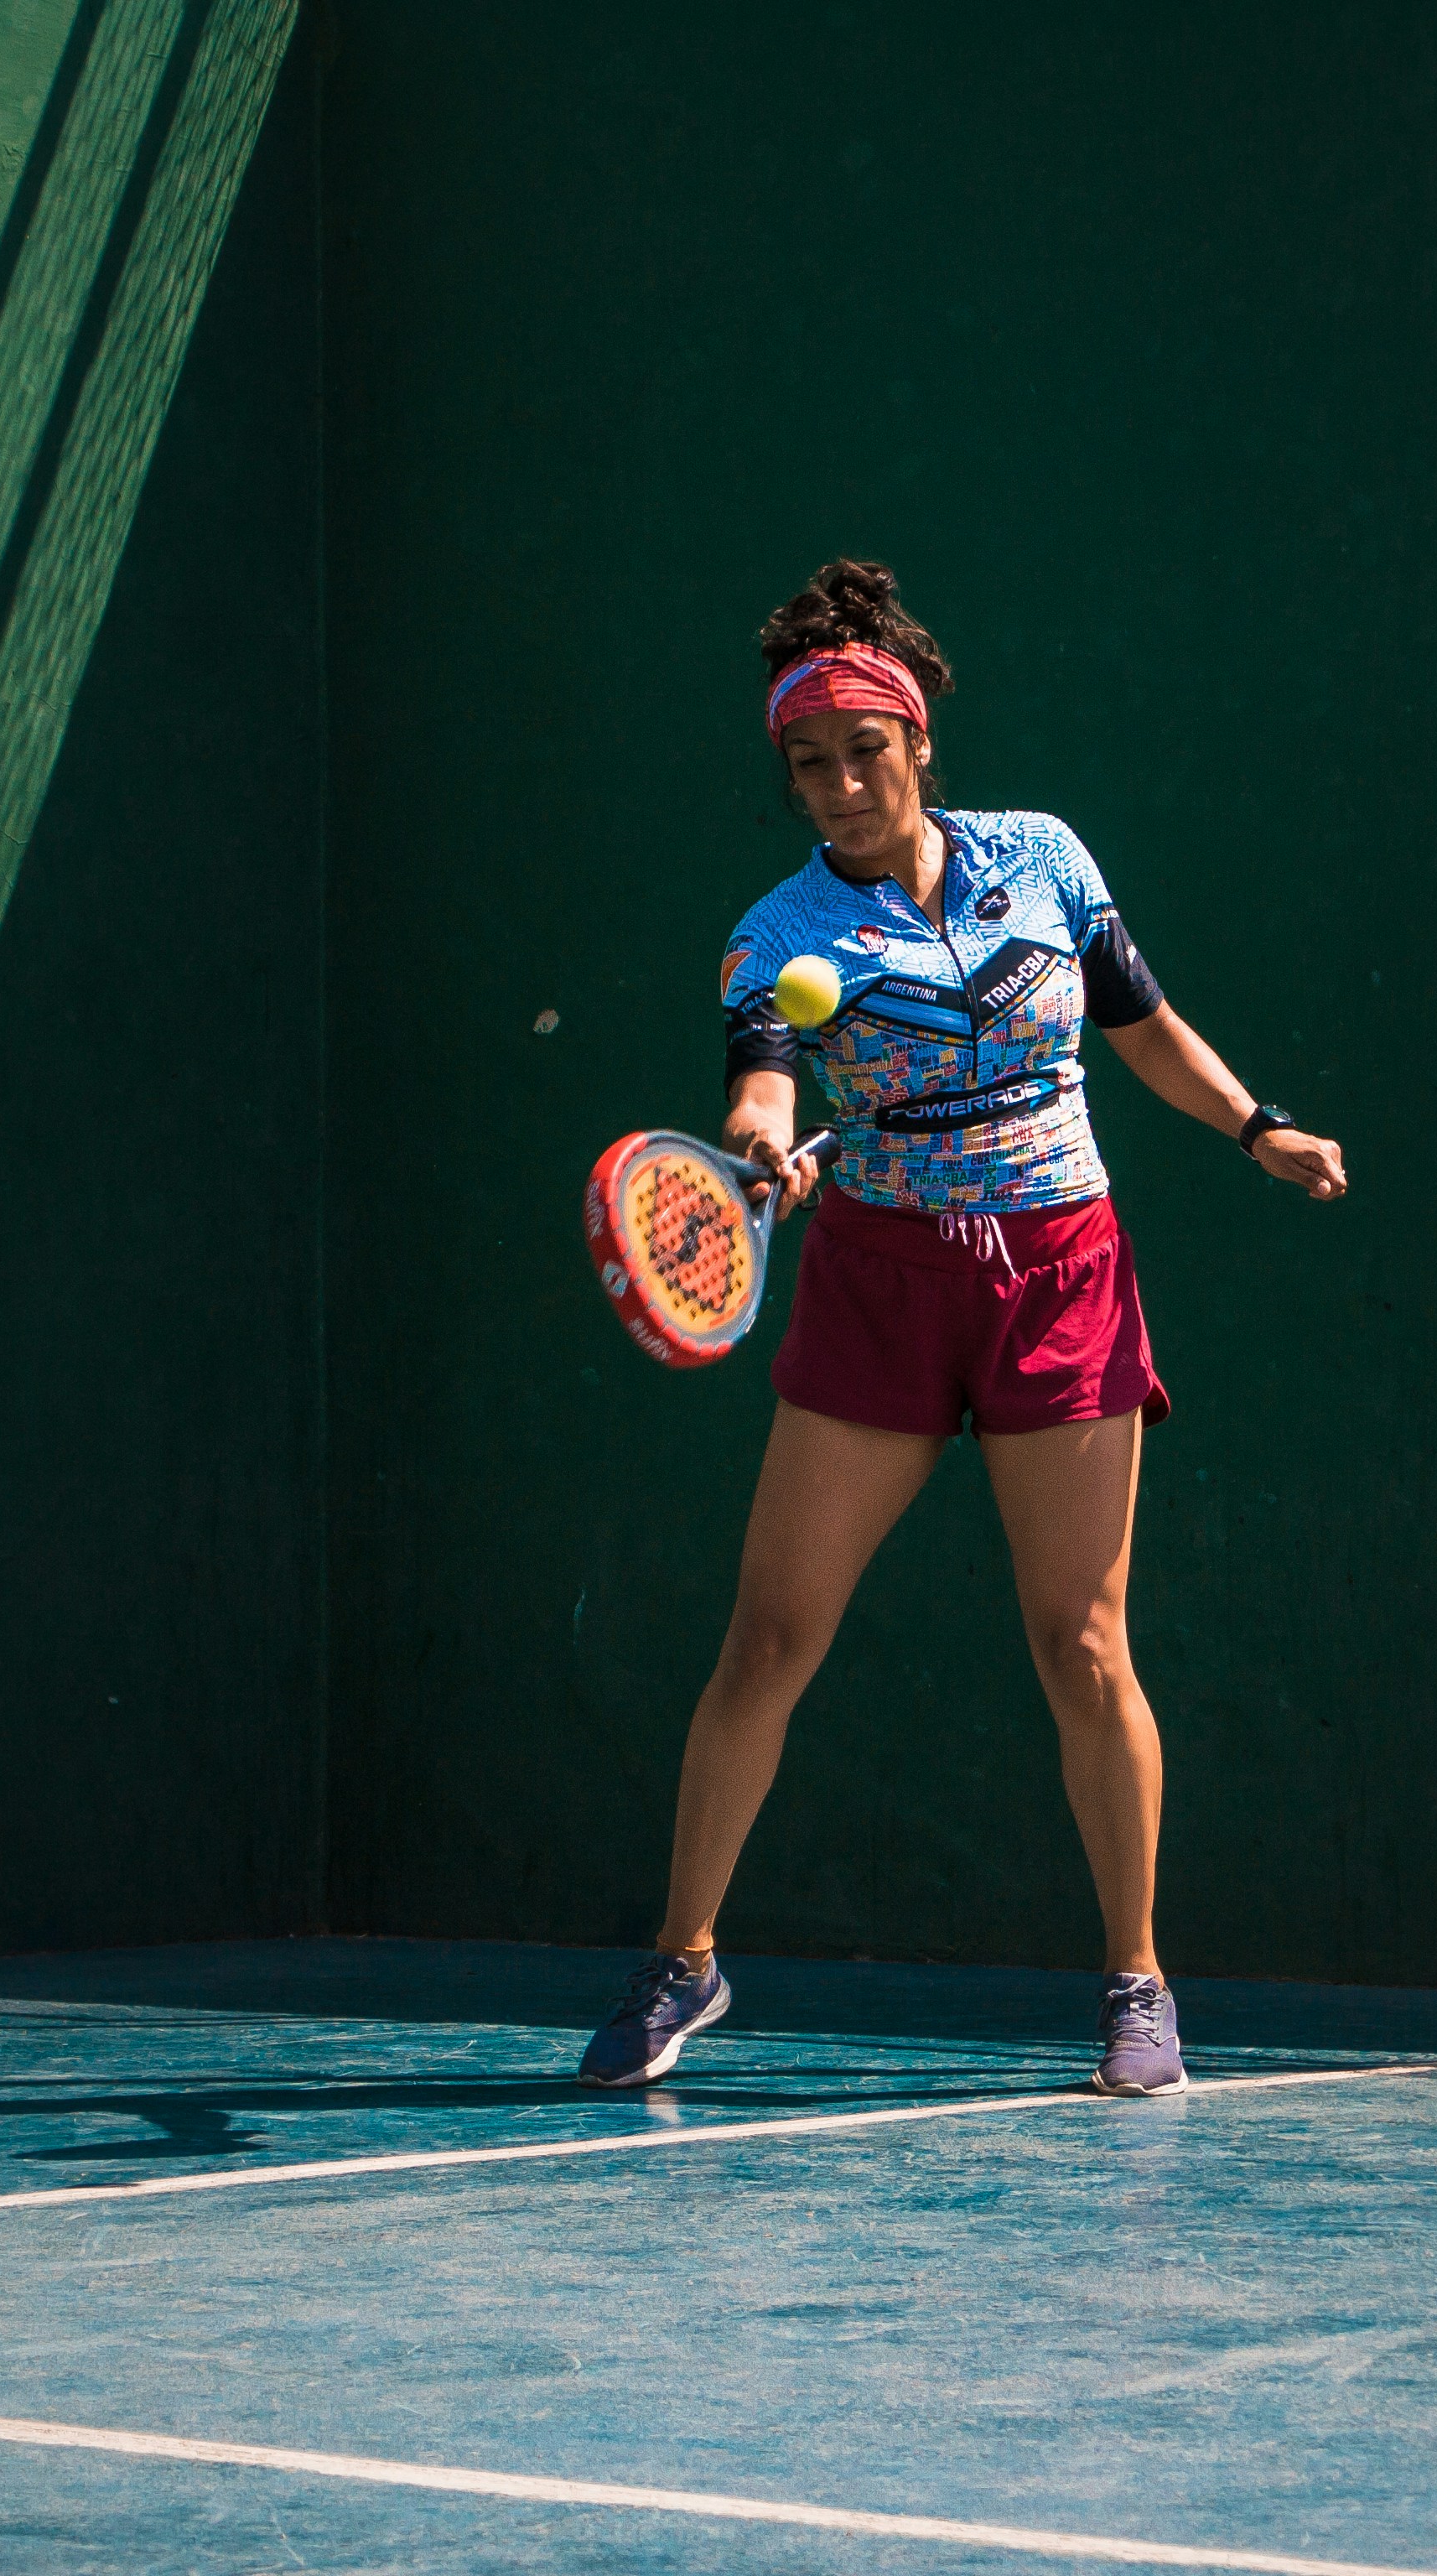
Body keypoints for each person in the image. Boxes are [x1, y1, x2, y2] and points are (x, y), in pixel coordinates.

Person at [578, 560, 1347, 2098]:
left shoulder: (1044, 859)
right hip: (882, 1285)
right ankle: (684, 1959)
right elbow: (764, 1086)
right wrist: (759, 1145)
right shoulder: (776, 935)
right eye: (810, 764)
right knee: (771, 1635)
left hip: (1061, 1273)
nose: (841, 786)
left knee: (1083, 1640)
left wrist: (1254, 1124)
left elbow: (1140, 1025)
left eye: (866, 752)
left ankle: (1137, 1984)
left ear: (919, 741)